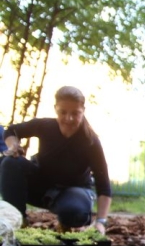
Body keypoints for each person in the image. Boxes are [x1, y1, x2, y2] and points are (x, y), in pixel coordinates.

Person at [0, 86, 112, 234]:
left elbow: (103, 185)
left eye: (75, 113)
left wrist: (101, 222)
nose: (68, 119)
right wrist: (13, 145)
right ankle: (19, 222)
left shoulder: (91, 141)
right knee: (9, 162)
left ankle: (68, 223)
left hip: (74, 192)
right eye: (63, 112)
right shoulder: (45, 126)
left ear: (83, 110)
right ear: (55, 109)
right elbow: (11, 130)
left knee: (74, 212)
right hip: (42, 188)